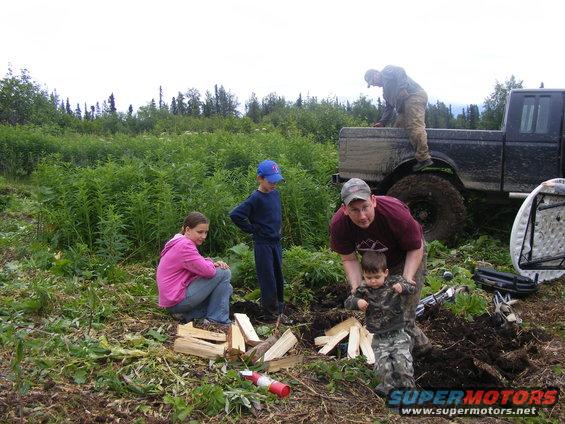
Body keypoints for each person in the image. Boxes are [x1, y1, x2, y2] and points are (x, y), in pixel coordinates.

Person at [329, 177, 432, 355]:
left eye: (365, 207)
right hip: (375, 266)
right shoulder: (339, 225)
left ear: (374, 201)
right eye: (354, 210)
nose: (362, 216)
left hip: (406, 257)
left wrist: (406, 279)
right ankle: (420, 347)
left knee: (402, 312)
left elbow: (415, 248)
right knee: (383, 311)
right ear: (345, 210)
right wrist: (356, 287)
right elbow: (349, 259)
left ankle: (408, 360)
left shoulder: (394, 213)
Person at [344, 251, 415, 396]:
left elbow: (412, 288)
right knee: (383, 367)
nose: (373, 281)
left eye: (377, 277)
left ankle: (408, 390)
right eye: (369, 277)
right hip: (379, 336)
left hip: (398, 333)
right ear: (363, 275)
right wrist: (357, 302)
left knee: (402, 363)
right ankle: (388, 392)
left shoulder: (393, 282)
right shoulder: (363, 289)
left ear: (385, 272)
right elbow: (348, 302)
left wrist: (403, 287)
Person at [229, 160, 289, 323]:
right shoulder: (255, 198)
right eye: (271, 181)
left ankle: (279, 310)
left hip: (275, 242)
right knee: (267, 278)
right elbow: (236, 215)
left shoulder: (275, 194)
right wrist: (253, 229)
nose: (274, 184)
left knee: (277, 275)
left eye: (276, 181)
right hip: (263, 244)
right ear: (259, 178)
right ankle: (270, 314)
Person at [156, 211, 232, 324]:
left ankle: (188, 314)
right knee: (223, 272)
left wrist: (209, 262)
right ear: (187, 230)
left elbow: (198, 264)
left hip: (173, 300)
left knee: (227, 288)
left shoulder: (179, 241)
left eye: (206, 232)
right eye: (200, 232)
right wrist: (212, 263)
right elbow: (209, 272)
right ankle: (217, 319)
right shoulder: (185, 245)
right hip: (176, 301)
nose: (204, 236)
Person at [364, 66, 432, 172]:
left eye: (372, 81)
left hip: (414, 95)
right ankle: (404, 158)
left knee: (414, 125)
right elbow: (389, 108)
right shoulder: (386, 93)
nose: (373, 85)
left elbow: (400, 71)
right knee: (398, 128)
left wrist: (402, 88)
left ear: (376, 74)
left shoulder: (386, 71)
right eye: (371, 84)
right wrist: (382, 122)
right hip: (404, 105)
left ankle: (424, 158)